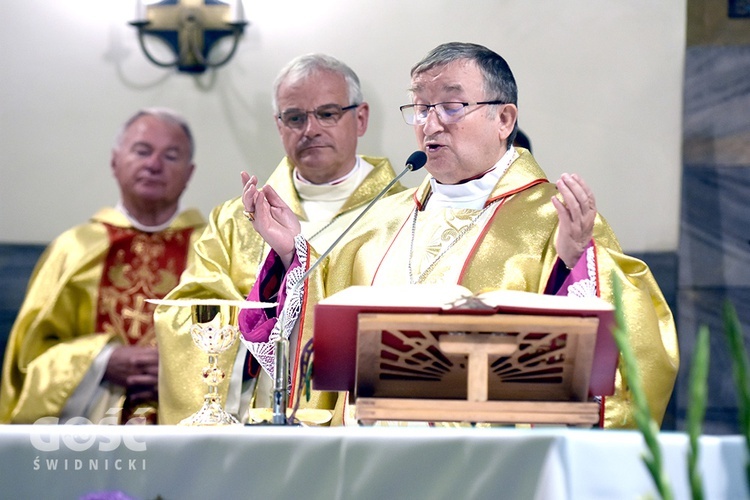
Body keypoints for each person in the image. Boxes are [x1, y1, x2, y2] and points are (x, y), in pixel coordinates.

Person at [238, 42, 679, 428]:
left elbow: (631, 350)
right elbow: (320, 343)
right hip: (368, 455)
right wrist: (291, 254)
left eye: (450, 107)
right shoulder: (378, 222)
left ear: (504, 119)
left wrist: (569, 264)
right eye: (420, 108)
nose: (430, 125)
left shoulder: (556, 219)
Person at [154, 53, 405, 425]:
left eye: (328, 113)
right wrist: (259, 335)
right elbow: (186, 312)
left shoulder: (402, 215)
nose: (310, 129)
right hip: (246, 420)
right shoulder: (234, 220)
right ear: (279, 126)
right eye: (295, 117)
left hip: (349, 422)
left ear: (361, 117)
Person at [0, 108, 205, 424]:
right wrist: (101, 360)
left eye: (171, 156)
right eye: (142, 151)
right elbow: (28, 359)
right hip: (87, 436)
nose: (153, 165)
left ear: (189, 173)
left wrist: (183, 368)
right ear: (115, 161)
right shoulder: (75, 249)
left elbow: (247, 349)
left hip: (189, 432)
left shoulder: (212, 251)